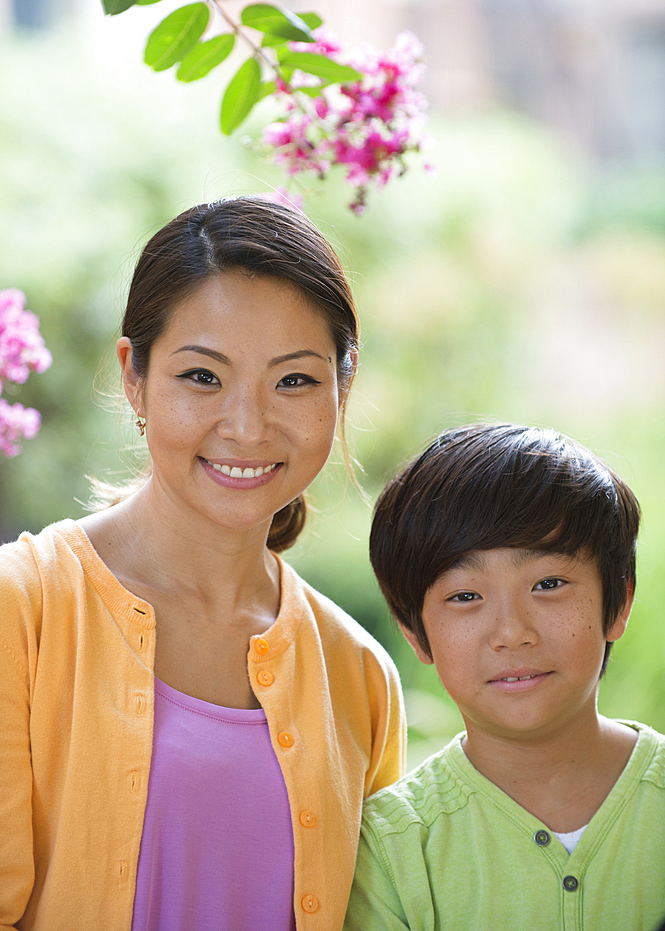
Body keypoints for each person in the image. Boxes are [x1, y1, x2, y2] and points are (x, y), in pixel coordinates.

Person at [0, 196, 406, 931]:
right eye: (202, 377)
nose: (247, 427)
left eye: (294, 381)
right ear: (134, 376)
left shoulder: (358, 674)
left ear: (342, 387)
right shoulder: (19, 609)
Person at [344, 423, 665, 931]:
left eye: (549, 583)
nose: (512, 632)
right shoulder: (391, 850)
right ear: (414, 631)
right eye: (465, 596)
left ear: (617, 604)